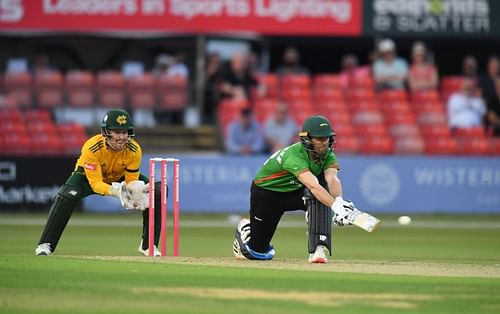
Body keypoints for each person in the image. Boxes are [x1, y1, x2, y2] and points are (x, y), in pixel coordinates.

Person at [232, 115, 380, 263]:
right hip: (267, 194)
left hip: (293, 191)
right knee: (257, 253)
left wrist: (340, 202)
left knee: (318, 196)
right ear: (307, 139)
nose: (324, 143)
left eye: (327, 138)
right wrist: (335, 206)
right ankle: (246, 228)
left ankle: (318, 250)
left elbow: (332, 179)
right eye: (319, 139)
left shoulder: (327, 155)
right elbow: (312, 185)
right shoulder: (294, 156)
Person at [35, 109, 165, 256]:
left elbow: (131, 181)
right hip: (88, 176)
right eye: (117, 132)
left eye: (125, 132)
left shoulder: (134, 150)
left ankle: (149, 245)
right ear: (106, 132)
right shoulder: (92, 147)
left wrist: (135, 191)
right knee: (66, 195)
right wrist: (117, 192)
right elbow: (96, 184)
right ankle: (46, 244)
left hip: (118, 176)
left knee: (157, 191)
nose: (121, 137)